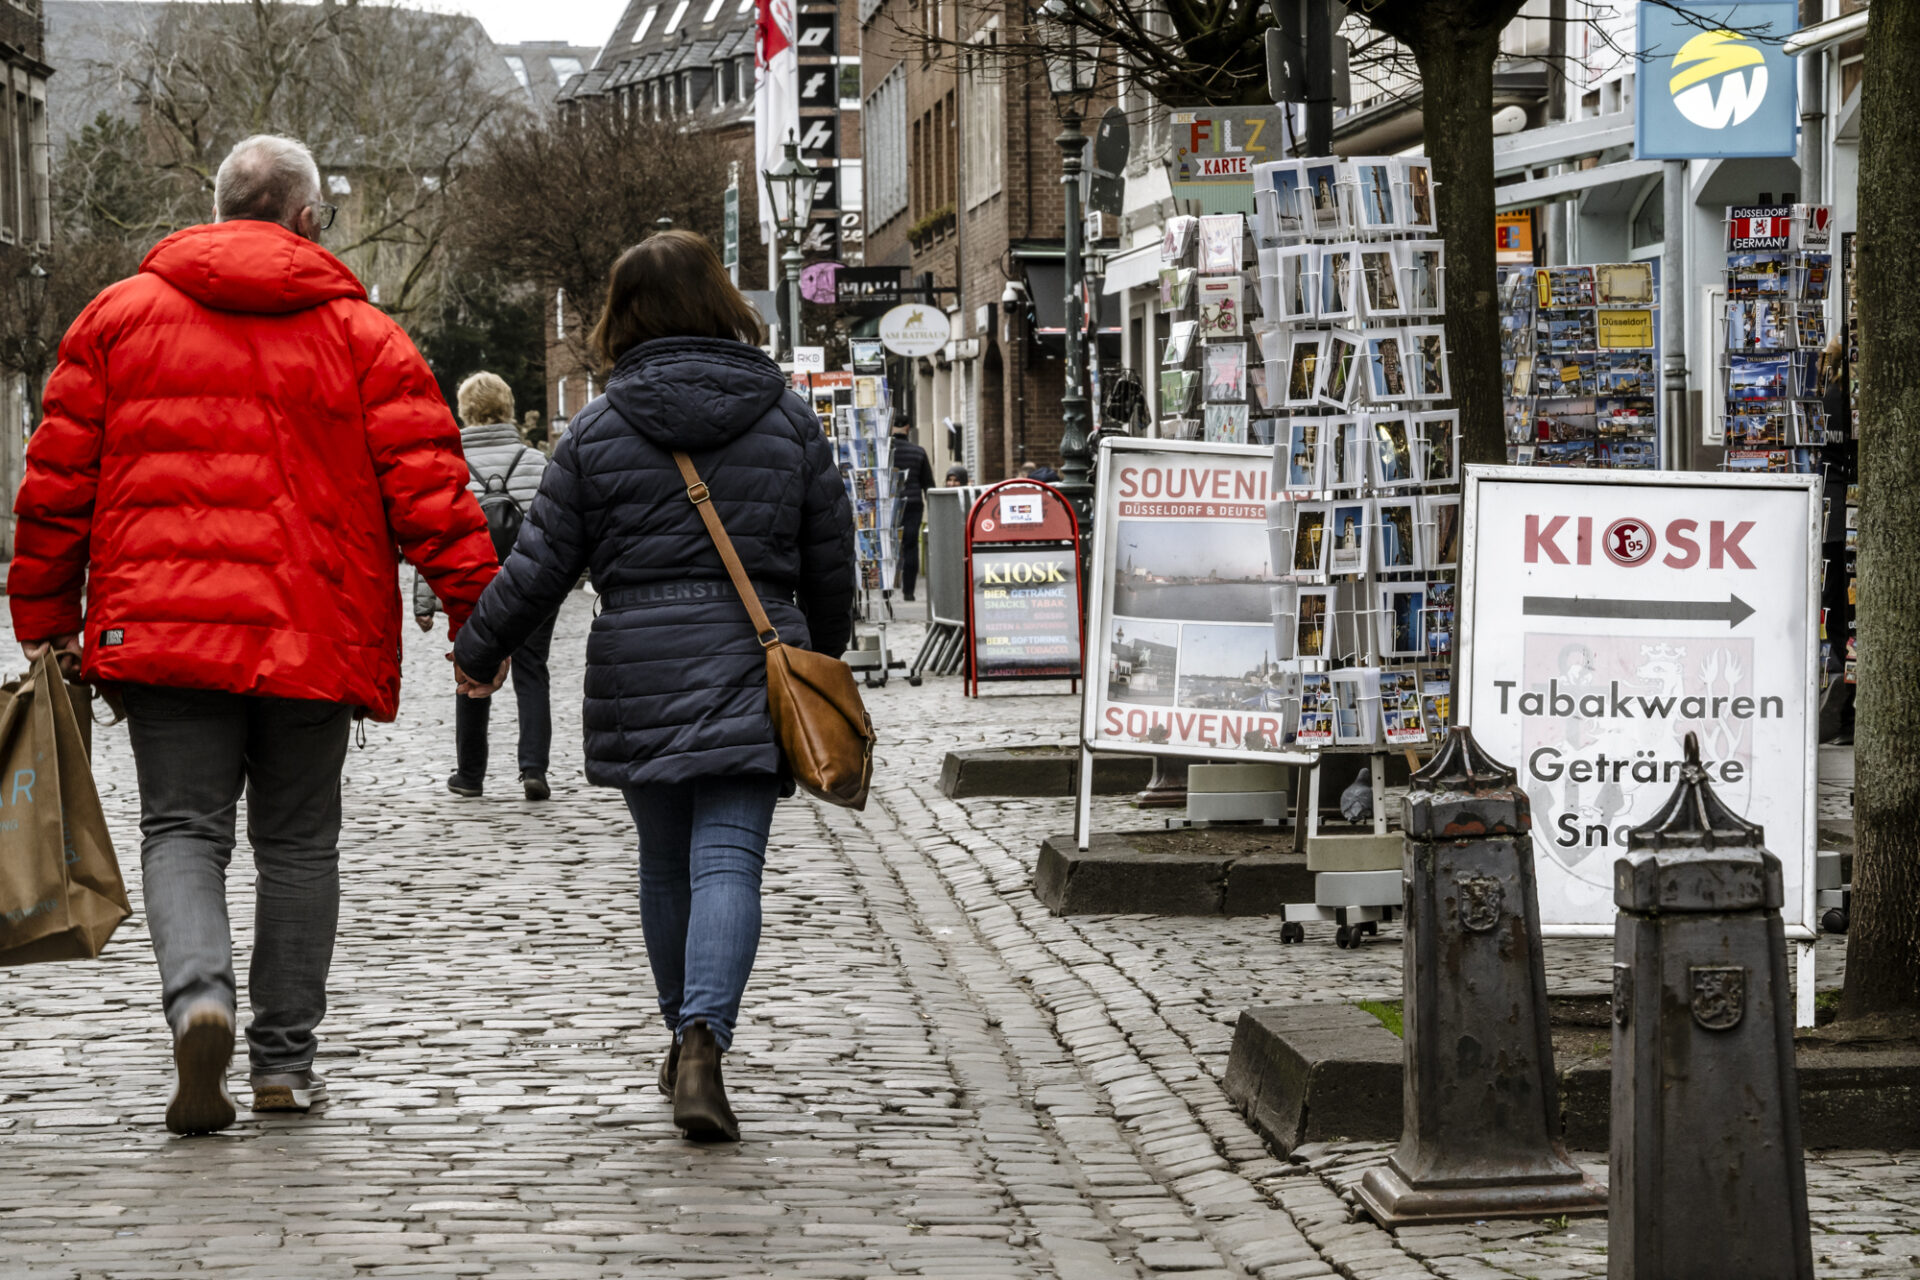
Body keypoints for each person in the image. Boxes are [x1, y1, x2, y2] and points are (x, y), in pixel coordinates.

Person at [8, 134, 499, 1137]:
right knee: (297, 841)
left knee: (182, 828)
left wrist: (45, 622)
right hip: (314, 633)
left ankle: (199, 997)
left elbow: (54, 488)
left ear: (219, 208)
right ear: (311, 219)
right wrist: (476, 621)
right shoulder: (365, 336)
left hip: (162, 633)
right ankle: (282, 1063)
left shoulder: (115, 320)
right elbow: (432, 491)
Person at [451, 231, 854, 1143]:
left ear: (622, 317)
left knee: (667, 864)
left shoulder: (597, 430)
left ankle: (685, 1036)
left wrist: (481, 650)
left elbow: (539, 566)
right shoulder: (786, 417)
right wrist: (818, 661)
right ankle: (704, 1037)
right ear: (722, 300)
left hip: (641, 661)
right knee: (729, 862)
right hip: (757, 659)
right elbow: (832, 561)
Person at [415, 372, 556, 801]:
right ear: (508, 408)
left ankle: (470, 775)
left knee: (471, 669)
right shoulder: (536, 463)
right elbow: (559, 527)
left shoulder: (449, 464)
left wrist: (425, 601)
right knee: (533, 671)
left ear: (464, 411)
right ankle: (534, 769)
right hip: (530, 585)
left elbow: (435, 534)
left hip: (472, 587)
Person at [889, 423, 935, 601]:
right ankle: (909, 591)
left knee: (890, 546)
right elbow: (928, 482)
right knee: (911, 546)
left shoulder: (886, 452)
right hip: (914, 503)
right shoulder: (919, 451)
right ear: (908, 428)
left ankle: (888, 589)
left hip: (891, 503)